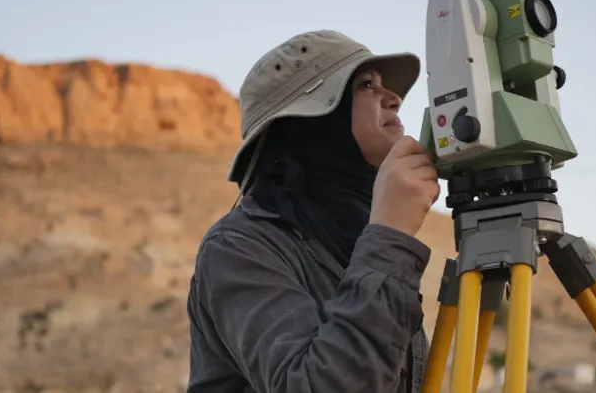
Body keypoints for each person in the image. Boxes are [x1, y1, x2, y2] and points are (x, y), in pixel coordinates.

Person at [186, 30, 441, 393]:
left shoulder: (352, 239)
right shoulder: (238, 248)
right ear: (316, 122)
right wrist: (390, 238)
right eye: (366, 85)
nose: (394, 99)